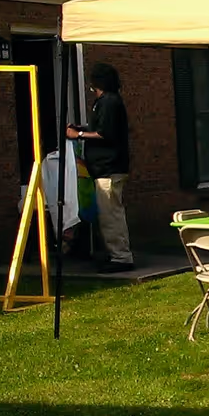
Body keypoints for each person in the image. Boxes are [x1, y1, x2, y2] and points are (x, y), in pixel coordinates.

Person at [66, 63, 133, 272]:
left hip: (109, 168)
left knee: (110, 214)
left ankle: (121, 257)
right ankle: (117, 254)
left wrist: (76, 135)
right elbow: (103, 128)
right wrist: (84, 129)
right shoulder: (107, 102)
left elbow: (105, 134)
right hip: (105, 168)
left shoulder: (109, 102)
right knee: (109, 212)